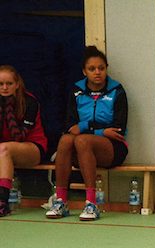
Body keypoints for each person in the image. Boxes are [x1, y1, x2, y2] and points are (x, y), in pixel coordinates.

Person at [46, 45, 128, 221]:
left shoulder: (117, 91)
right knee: (65, 140)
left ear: (106, 69)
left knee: (82, 140)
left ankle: (91, 203)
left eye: (101, 68)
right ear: (84, 71)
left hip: (112, 148)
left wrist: (85, 128)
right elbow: (70, 126)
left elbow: (118, 129)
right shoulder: (76, 91)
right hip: (81, 148)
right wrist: (98, 129)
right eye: (92, 69)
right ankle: (61, 201)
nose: (97, 72)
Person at [0, 65, 47, 217]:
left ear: (17, 84)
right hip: (4, 150)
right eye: (1, 84)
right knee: (3, 150)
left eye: (9, 83)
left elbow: (19, 137)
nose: (5, 88)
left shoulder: (29, 102)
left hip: (32, 147)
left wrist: (6, 107)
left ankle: (2, 202)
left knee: (4, 149)